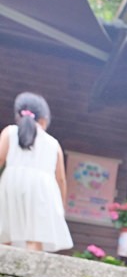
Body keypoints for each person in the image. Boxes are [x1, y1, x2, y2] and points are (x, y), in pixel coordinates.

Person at [0, 92, 73, 251]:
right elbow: (60, 179)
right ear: (44, 119)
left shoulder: (10, 132)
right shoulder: (53, 144)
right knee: (35, 236)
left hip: (11, 182)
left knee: (6, 230)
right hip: (42, 189)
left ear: (18, 115)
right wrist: (60, 206)